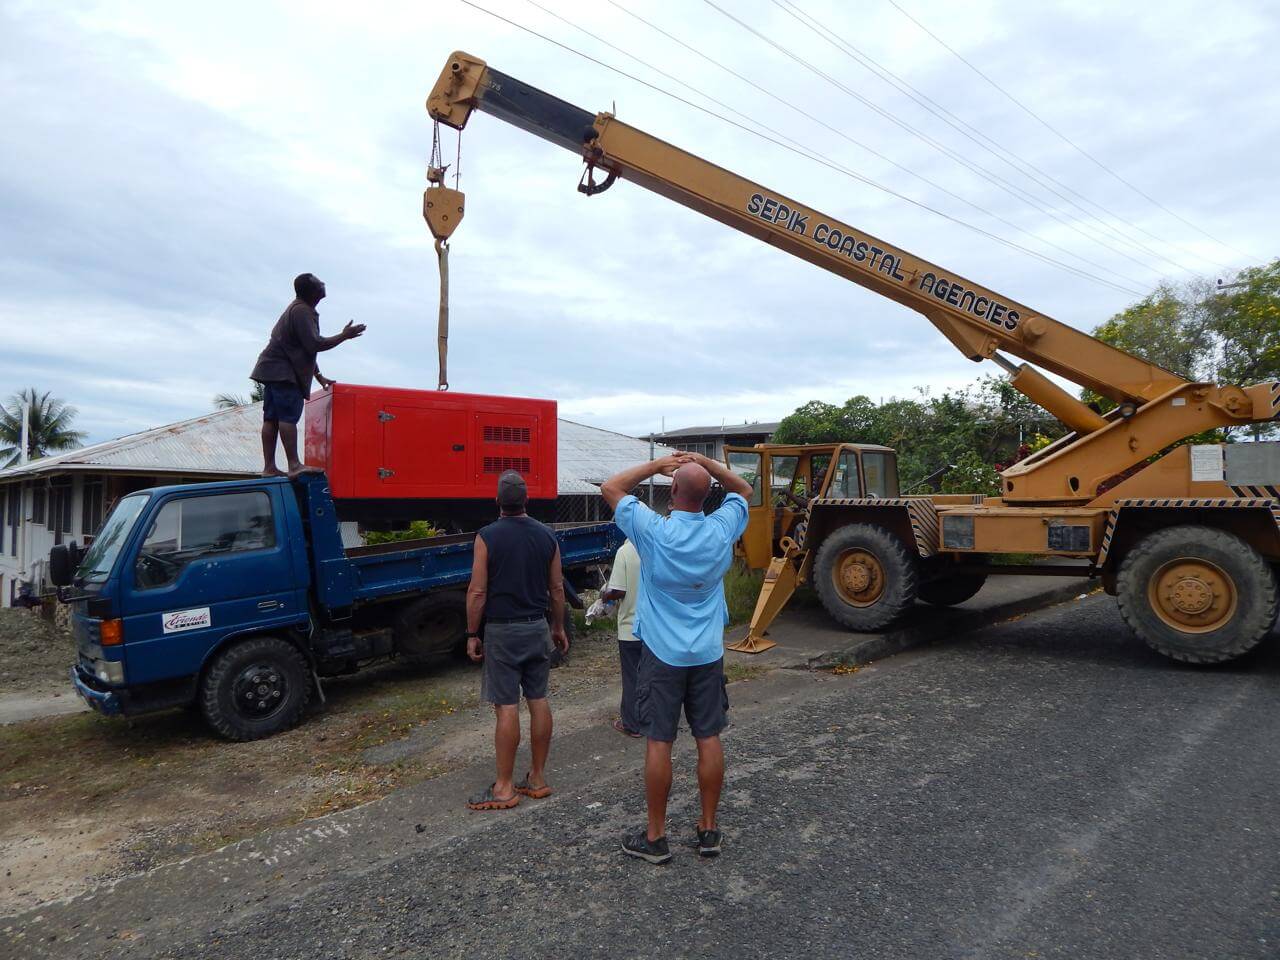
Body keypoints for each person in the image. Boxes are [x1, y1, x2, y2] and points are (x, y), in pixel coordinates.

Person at [600, 451, 753, 864]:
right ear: (707, 497)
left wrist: (654, 466)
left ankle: (656, 837)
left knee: (659, 740)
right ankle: (708, 830)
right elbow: (743, 490)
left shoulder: (653, 532)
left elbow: (611, 488)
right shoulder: (722, 529)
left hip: (661, 654)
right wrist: (707, 463)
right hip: (707, 653)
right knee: (708, 735)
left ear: (672, 491)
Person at [464, 470, 570, 811]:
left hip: (503, 632)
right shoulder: (546, 536)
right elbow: (557, 589)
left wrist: (471, 634)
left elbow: (478, 591)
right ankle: (537, 779)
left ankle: (504, 788)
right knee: (538, 699)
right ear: (526, 501)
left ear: (497, 501)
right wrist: (557, 626)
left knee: (506, 706)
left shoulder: (486, 536)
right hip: (536, 627)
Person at [250, 273, 365, 477]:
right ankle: (294, 465)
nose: (323, 283)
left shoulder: (299, 309)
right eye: (319, 282)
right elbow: (314, 344)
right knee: (286, 417)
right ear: (312, 291)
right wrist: (344, 336)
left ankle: (269, 467)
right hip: (283, 372)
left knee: (272, 419)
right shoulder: (302, 311)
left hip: (273, 369)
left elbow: (303, 349)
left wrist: (319, 376)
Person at [602, 538, 642, 738]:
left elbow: (618, 590)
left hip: (630, 627)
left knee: (631, 676)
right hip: (655, 627)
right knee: (652, 675)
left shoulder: (625, 552)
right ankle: (653, 718)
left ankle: (632, 724)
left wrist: (604, 596)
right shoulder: (656, 546)